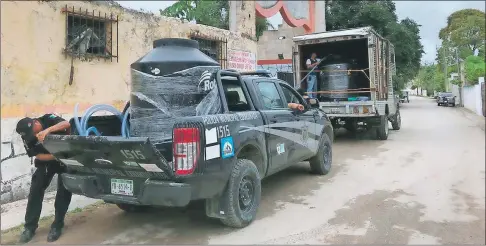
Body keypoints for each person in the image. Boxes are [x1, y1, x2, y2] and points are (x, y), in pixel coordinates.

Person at [15, 114, 72, 243]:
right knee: (35, 190)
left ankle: (57, 225)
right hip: (48, 161)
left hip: (65, 160)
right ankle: (29, 227)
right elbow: (38, 155)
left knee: (64, 191)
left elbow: (66, 124)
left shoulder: (48, 119)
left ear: (35, 124)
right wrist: (55, 157)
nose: (33, 136)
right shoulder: (27, 137)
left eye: (33, 133)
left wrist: (47, 131)